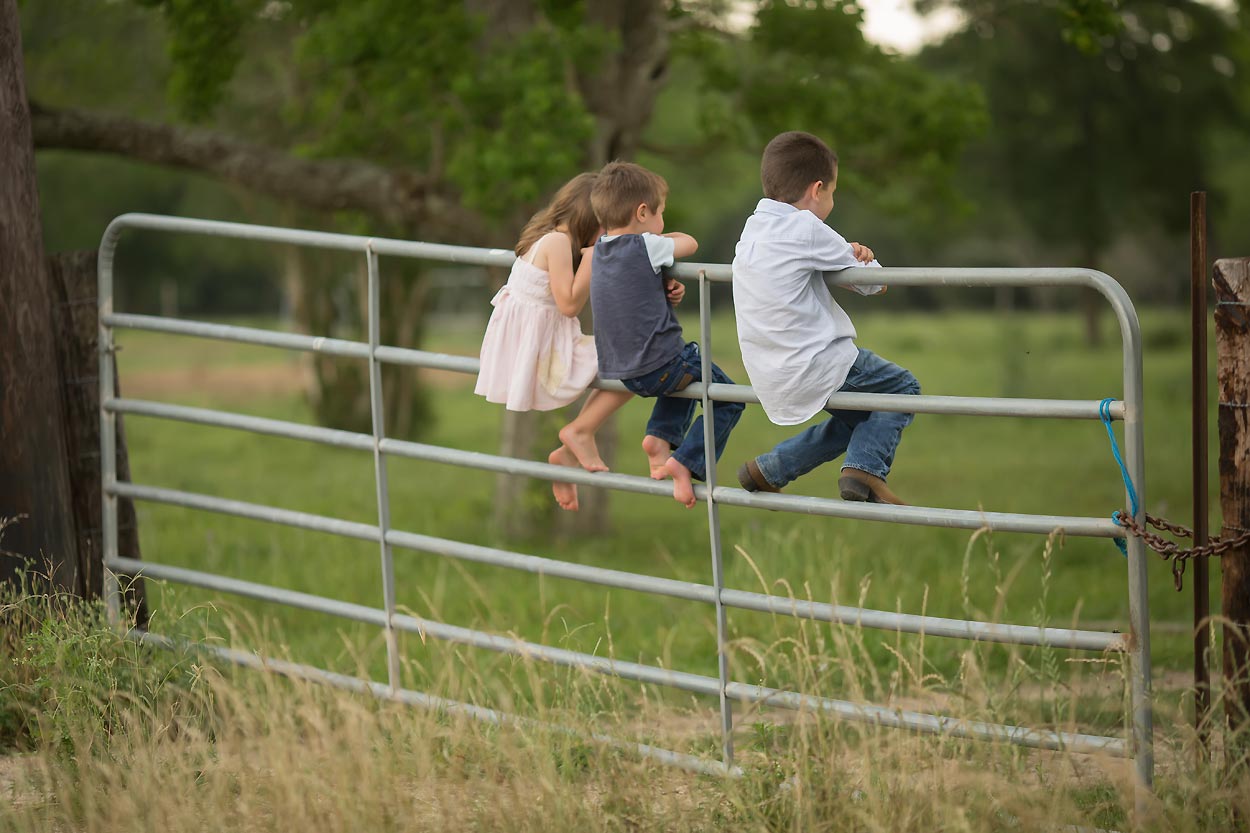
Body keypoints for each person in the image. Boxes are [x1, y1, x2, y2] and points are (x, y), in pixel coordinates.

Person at [731, 131, 919, 504]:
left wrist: (839, 253)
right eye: (832, 193)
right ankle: (864, 473)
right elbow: (875, 284)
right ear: (817, 189)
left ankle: (771, 470)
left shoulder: (752, 228)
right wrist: (858, 253)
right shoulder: (805, 227)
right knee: (902, 389)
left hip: (771, 371)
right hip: (816, 363)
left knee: (860, 419)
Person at [589, 161, 745, 508]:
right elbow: (689, 243)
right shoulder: (644, 245)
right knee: (730, 398)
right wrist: (662, 239)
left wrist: (663, 285)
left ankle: (660, 438)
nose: (662, 223)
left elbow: (630, 290)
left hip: (625, 373)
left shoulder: (600, 250)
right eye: (661, 214)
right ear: (642, 212)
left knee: (680, 381)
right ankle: (685, 462)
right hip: (661, 363)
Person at [474, 172, 632, 512]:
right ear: (589, 219)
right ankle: (578, 434)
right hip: (545, 352)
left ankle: (572, 446)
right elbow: (569, 304)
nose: (607, 236)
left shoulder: (546, 237)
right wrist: (592, 258)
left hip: (538, 346)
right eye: (605, 226)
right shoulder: (559, 243)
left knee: (629, 361)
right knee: (636, 363)